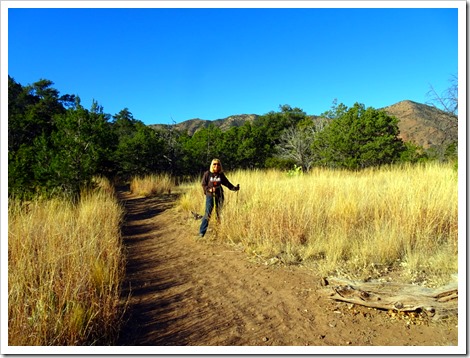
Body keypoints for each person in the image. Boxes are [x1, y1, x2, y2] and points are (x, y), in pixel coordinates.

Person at [199, 158, 239, 237]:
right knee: (208, 213)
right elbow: (203, 184)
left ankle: (218, 231)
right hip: (210, 195)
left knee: (219, 213)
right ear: (212, 165)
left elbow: (227, 183)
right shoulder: (207, 174)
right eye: (214, 164)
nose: (216, 166)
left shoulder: (221, 174)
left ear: (220, 166)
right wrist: (209, 189)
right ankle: (202, 232)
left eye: (218, 164)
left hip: (219, 195)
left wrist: (235, 188)